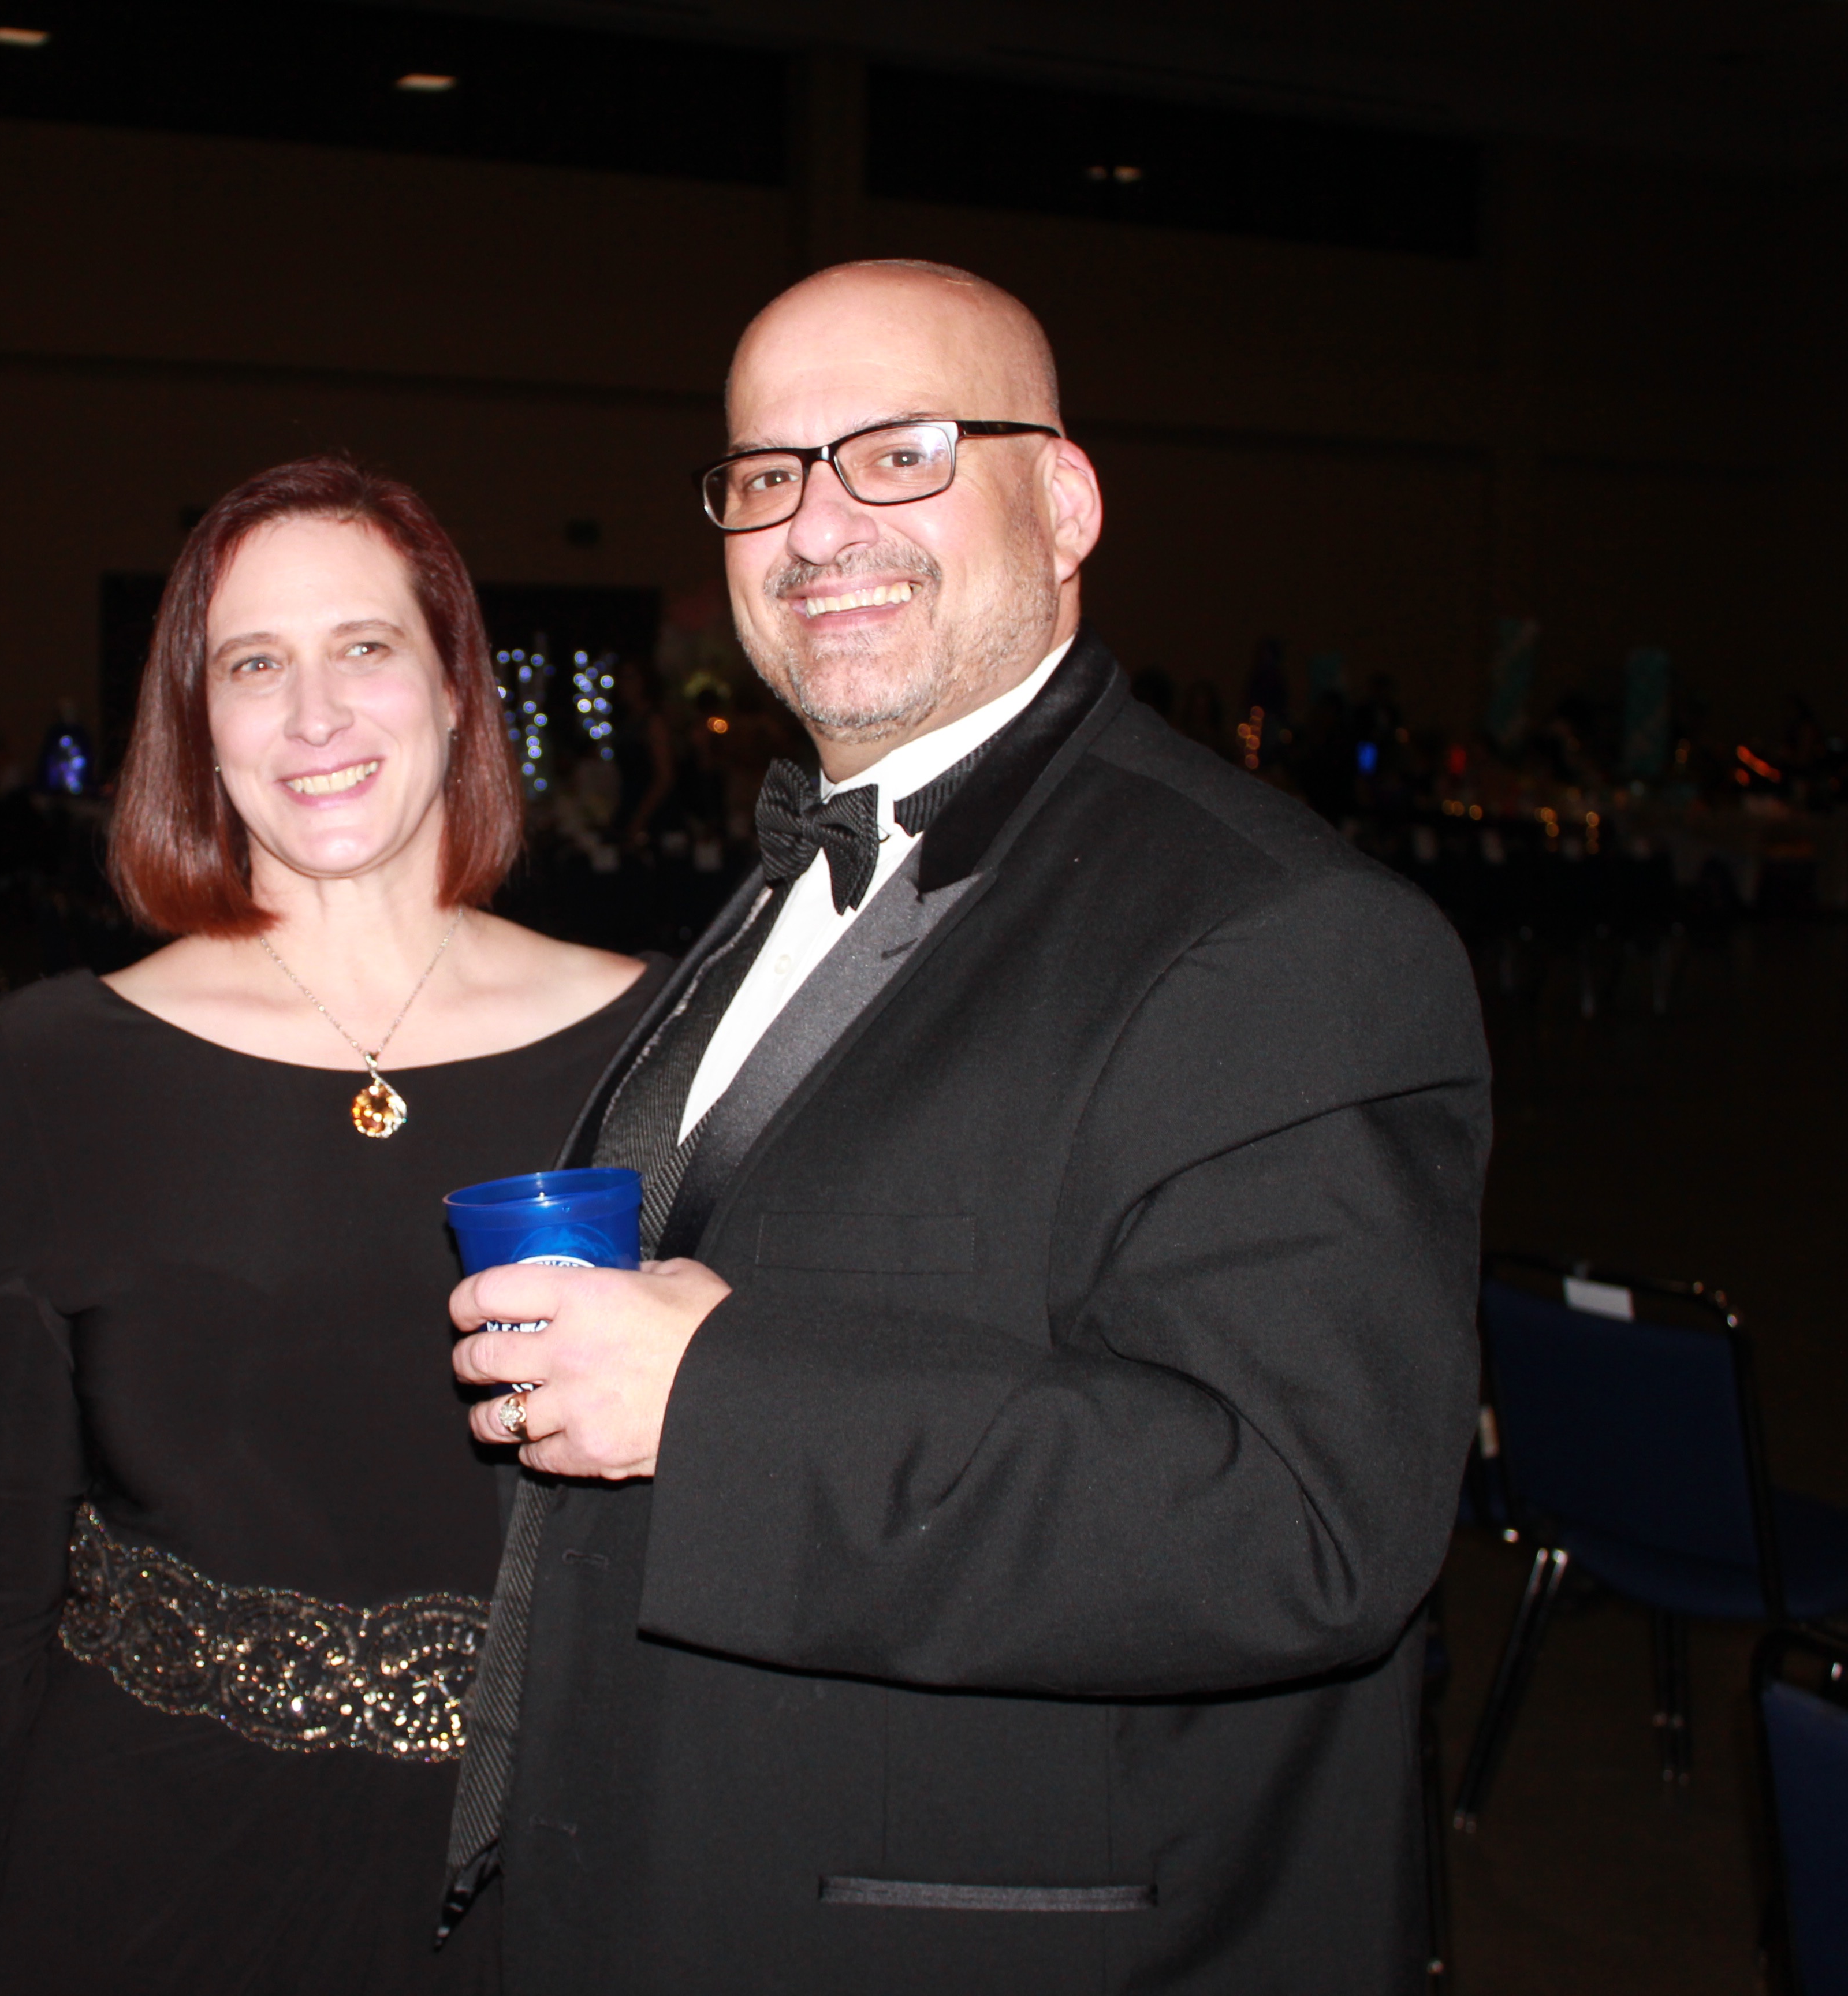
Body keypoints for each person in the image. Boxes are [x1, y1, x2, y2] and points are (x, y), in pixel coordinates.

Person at [441, 260, 1490, 1993]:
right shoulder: (792, 877)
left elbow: (1305, 1521)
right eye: (766, 473)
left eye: (901, 452)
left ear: (1063, 502)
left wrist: (715, 1399)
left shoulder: (1285, 932)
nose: (817, 524)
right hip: (664, 1876)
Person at [0, 456, 656, 1996]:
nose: (313, 715)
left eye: (364, 646)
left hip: (550, 1867)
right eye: (253, 664)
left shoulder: (653, 1049)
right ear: (196, 724)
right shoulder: (57, 1065)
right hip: (150, 1865)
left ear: (455, 691)